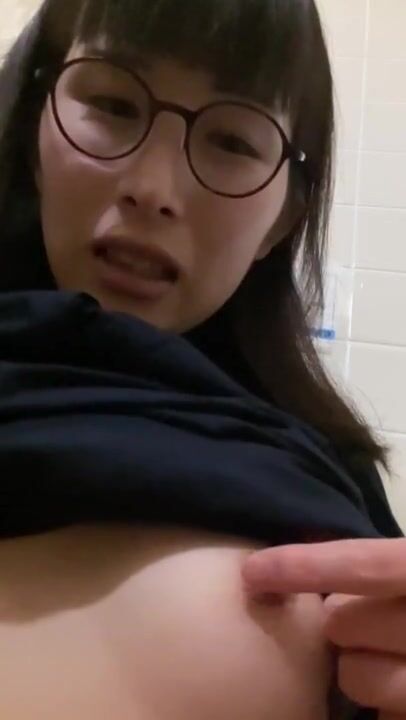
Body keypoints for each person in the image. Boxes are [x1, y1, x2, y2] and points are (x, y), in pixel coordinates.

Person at [0, 1, 403, 719]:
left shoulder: (337, 481)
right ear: (35, 130)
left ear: (281, 221)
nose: (152, 190)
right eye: (113, 104)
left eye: (233, 142)